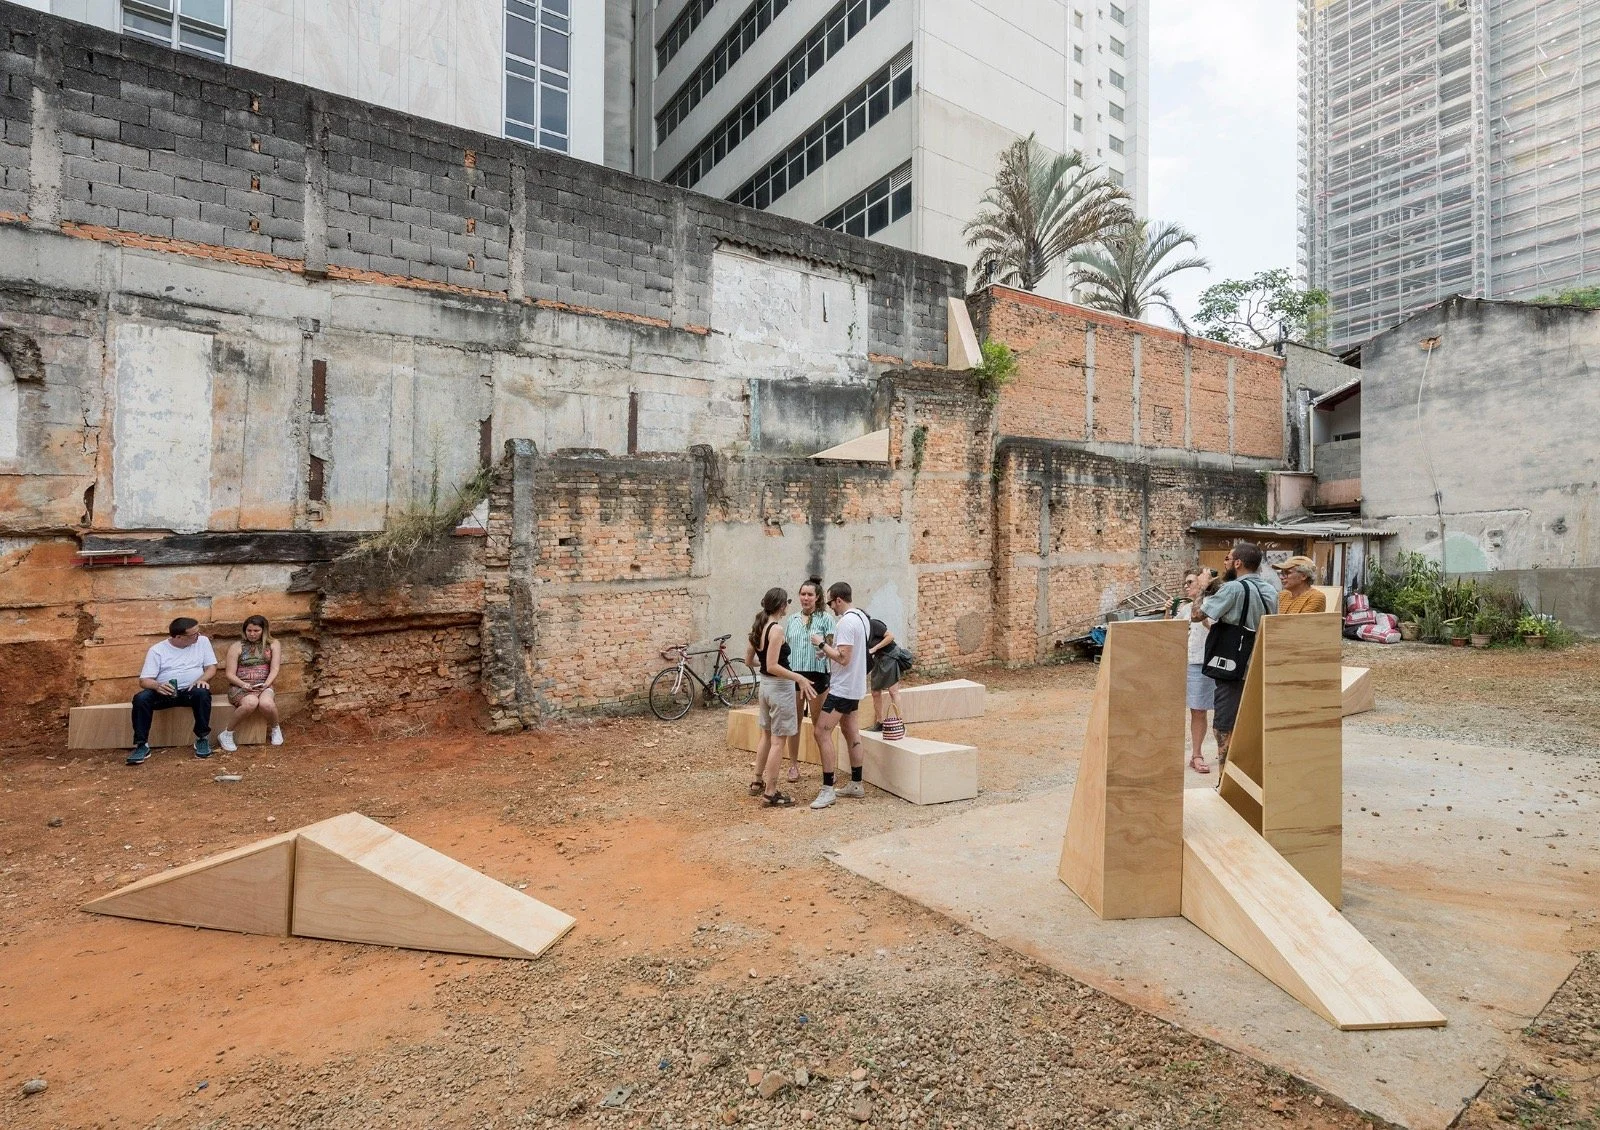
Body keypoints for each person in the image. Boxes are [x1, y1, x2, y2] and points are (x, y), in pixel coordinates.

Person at [1190, 542, 1278, 774]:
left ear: (1238, 563)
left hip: (1233, 666)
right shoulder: (1270, 590)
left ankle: (1225, 777)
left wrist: (1203, 587)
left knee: (1225, 723)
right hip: (1259, 663)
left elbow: (1197, 615)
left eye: (1228, 559)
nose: (1225, 563)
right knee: (1250, 721)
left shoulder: (1233, 589)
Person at [745, 587, 817, 807]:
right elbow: (774, 665)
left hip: (765, 686)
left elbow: (750, 661)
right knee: (778, 741)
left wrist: (765, 665)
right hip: (779, 688)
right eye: (787, 602)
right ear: (781, 605)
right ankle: (771, 792)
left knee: (766, 735)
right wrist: (799, 678)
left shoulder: (758, 626)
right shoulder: (776, 630)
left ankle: (757, 781)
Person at [809, 581, 871, 810]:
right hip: (854, 686)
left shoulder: (845, 622)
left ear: (838, 600)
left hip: (842, 688)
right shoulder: (861, 617)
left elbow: (844, 658)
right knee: (850, 731)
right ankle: (856, 783)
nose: (830, 608)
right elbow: (849, 654)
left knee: (821, 731)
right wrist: (828, 652)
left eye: (830, 602)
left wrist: (822, 644)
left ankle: (827, 789)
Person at [128, 616, 218, 765]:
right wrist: (158, 686)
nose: (198, 636)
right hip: (165, 691)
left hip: (190, 690)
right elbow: (144, 681)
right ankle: (141, 744)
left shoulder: (202, 642)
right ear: (179, 637)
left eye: (198, 632)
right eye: (194, 634)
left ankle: (202, 738)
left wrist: (202, 679)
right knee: (141, 699)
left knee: (202, 693)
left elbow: (211, 667)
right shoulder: (157, 650)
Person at [783, 576, 834, 782]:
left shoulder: (826, 618)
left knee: (819, 724)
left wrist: (823, 648)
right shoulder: (792, 620)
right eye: (803, 594)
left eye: (810, 595)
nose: (805, 598)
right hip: (795, 675)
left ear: (817, 597)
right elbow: (786, 647)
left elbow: (832, 646)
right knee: (793, 722)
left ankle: (826, 766)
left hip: (817, 675)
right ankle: (793, 765)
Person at [1176, 568, 1221, 774]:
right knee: (1197, 708)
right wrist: (1168, 612)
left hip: (1210, 661)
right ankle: (1196, 754)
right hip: (1191, 661)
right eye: (1185, 583)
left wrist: (1202, 602)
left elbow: (1212, 626)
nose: (1186, 586)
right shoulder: (1185, 609)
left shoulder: (1214, 603)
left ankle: (1213, 752)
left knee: (1213, 709)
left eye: (1190, 582)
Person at [218, 614, 284, 752]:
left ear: (264, 631)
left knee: (266, 703)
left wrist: (267, 683)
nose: (252, 634)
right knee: (251, 703)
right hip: (240, 687)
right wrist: (243, 684)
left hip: (264, 685)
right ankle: (227, 733)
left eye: (256, 631)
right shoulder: (236, 646)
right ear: (244, 630)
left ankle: (275, 728)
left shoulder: (273, 644)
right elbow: (229, 674)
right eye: (249, 631)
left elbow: (275, 668)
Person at [864, 614, 904, 732]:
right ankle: (879, 723)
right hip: (878, 658)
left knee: (893, 691)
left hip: (890, 655)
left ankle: (900, 722)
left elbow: (890, 636)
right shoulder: (860, 631)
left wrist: (875, 648)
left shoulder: (874, 624)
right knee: (875, 691)